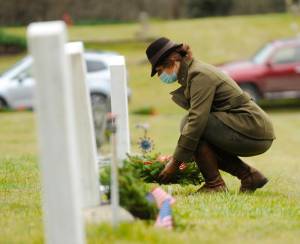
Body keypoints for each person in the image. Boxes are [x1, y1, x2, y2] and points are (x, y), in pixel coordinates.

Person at [145, 37, 275, 192]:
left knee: (190, 126)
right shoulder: (192, 74)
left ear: (172, 59)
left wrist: (175, 163)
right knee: (193, 133)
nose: (161, 76)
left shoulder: (199, 75)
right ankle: (249, 176)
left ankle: (215, 185)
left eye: (160, 70)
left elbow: (197, 121)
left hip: (253, 128)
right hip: (245, 127)